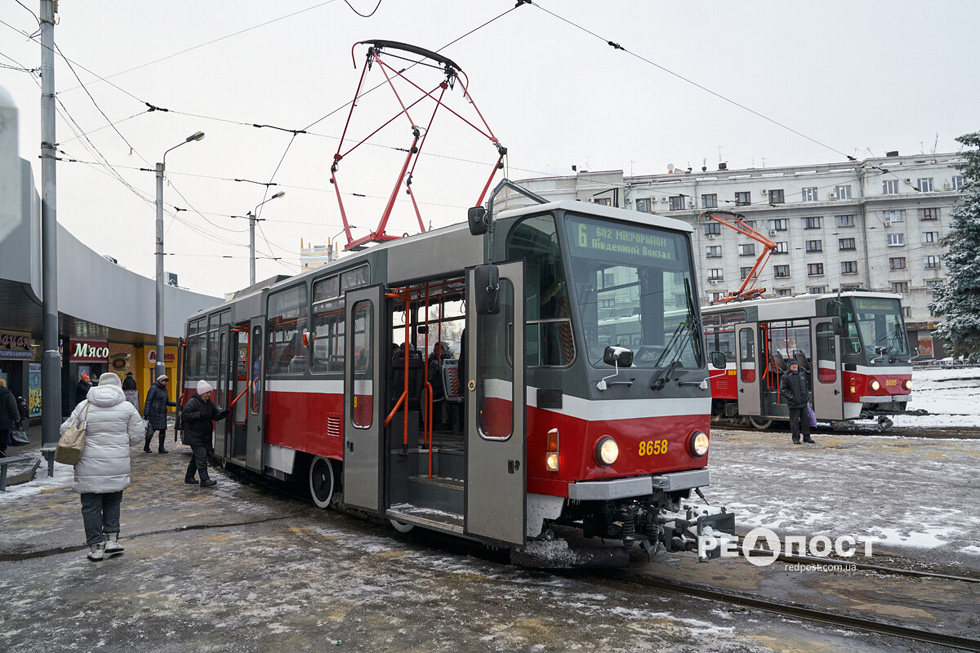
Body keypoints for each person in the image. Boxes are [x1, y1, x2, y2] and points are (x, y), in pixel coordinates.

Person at [61, 372, 144, 561]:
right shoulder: (127, 408)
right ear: (118, 387)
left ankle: (96, 547)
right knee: (113, 501)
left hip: (88, 467)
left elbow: (65, 430)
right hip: (116, 464)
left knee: (90, 507)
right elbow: (138, 436)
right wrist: (120, 443)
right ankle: (112, 540)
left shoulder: (84, 406)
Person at [181, 380, 229, 487]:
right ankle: (204, 479)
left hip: (203, 435)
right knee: (202, 456)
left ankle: (189, 477)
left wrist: (222, 415)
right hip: (194, 435)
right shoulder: (192, 402)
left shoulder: (209, 403)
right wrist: (199, 415)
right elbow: (184, 416)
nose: (209, 394)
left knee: (196, 457)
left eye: (210, 392)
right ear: (201, 393)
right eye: (207, 392)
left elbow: (214, 415)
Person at [780, 359, 814, 444]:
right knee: (794, 422)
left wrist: (806, 398)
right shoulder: (786, 376)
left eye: (796, 364)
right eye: (793, 365)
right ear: (789, 366)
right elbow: (783, 390)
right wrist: (792, 398)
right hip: (793, 403)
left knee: (805, 421)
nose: (795, 366)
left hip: (803, 402)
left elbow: (805, 387)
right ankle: (795, 438)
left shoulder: (802, 374)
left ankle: (807, 437)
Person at [143, 374, 176, 453]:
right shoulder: (154, 388)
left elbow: (167, 402)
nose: (166, 383)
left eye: (167, 381)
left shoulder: (164, 390)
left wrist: (176, 404)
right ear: (160, 381)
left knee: (162, 431)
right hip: (154, 413)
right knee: (151, 431)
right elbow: (148, 401)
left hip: (162, 413)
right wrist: (146, 413)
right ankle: (146, 446)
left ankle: (161, 448)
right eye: (165, 381)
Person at [0, 379, 19, 458]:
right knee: (3, 436)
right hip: (5, 421)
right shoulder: (8, 394)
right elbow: (12, 407)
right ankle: (1, 450)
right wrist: (17, 418)